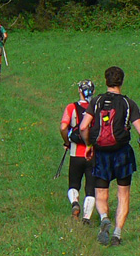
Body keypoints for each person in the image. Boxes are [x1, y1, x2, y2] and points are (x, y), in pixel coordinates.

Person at [79, 66, 140, 248]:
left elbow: (83, 127)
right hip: (122, 154)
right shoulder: (128, 103)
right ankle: (117, 235)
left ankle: (104, 217)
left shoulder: (97, 101)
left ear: (106, 81)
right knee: (123, 194)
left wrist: (89, 145)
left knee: (101, 193)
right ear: (122, 81)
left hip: (101, 153)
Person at [59, 79, 96, 223]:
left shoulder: (71, 107)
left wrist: (67, 142)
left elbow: (63, 127)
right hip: (93, 153)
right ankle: (86, 218)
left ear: (80, 91)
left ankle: (75, 202)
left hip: (76, 153)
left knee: (74, 184)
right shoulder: (97, 107)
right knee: (91, 188)